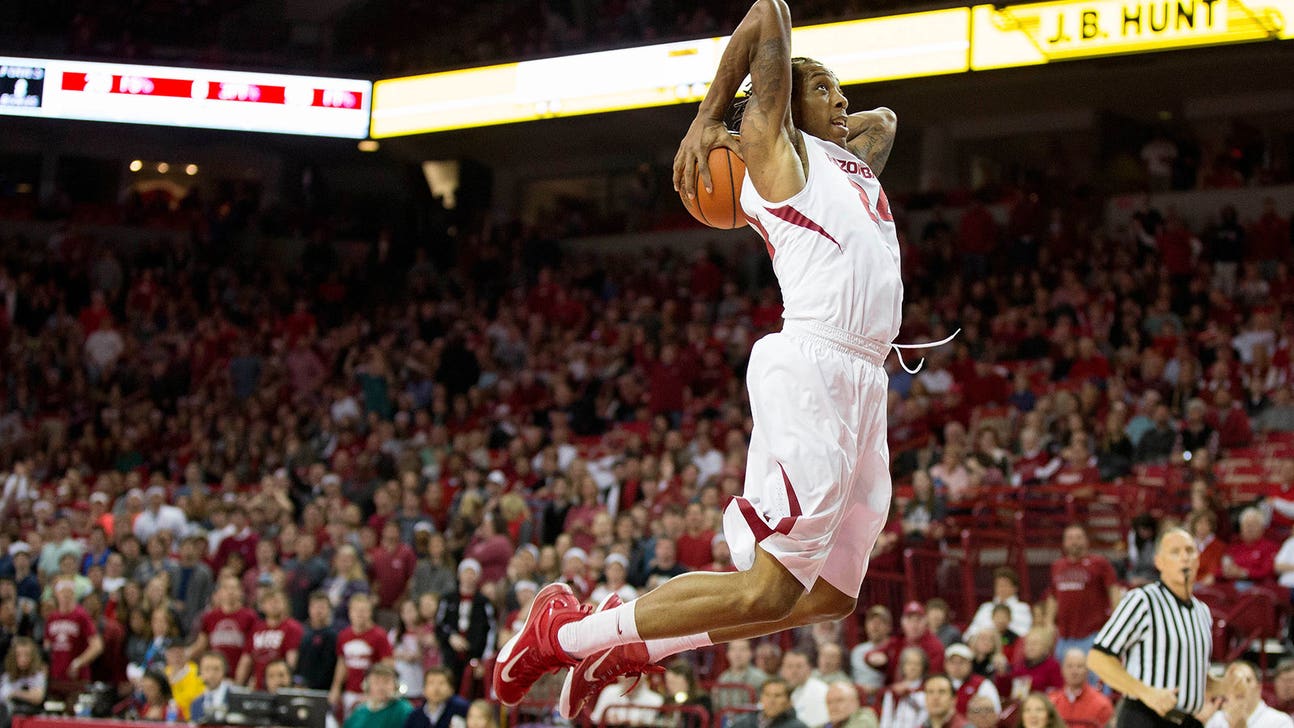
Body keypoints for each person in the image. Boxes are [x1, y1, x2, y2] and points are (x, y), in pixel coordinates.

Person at [495, 0, 908, 718]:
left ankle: (632, 649)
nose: (843, 100)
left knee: (832, 596)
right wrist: (711, 117)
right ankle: (562, 635)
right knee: (767, 588)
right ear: (772, 114)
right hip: (815, 366)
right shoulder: (778, 155)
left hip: (866, 378)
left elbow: (886, 120)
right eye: (823, 89)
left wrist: (828, 107)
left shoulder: (843, 159)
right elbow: (769, 13)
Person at [1087, 528, 1222, 727]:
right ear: (1159, 562)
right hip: (1145, 717)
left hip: (1187, 720)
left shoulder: (1202, 611)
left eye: (1190, 551)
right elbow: (1098, 658)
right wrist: (1147, 692)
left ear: (1198, 559)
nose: (1184, 557)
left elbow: (1192, 671)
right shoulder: (1142, 600)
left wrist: (1225, 684)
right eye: (1175, 552)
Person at [1047, 525, 1119, 660]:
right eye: (1070, 538)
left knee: (1094, 678)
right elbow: (1053, 596)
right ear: (1064, 543)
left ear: (1086, 541)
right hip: (1064, 636)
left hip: (1092, 634)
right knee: (1065, 678)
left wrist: (1116, 618)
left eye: (1078, 538)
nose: (1074, 541)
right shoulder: (1057, 566)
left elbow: (1113, 589)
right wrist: (1049, 622)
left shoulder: (1099, 563)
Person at [331, 593, 393, 717]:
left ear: (370, 613)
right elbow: (342, 663)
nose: (360, 614)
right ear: (350, 612)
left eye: (364, 610)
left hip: (371, 693)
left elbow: (388, 666)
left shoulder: (379, 635)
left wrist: (375, 692)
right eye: (357, 610)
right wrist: (336, 687)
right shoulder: (344, 635)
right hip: (350, 691)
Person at [236, 587, 303, 689]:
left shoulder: (292, 627)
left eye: (277, 601)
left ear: (285, 604)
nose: (273, 605)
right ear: (262, 606)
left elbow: (291, 661)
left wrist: (289, 686)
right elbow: (246, 660)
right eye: (269, 602)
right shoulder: (256, 628)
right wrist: (238, 686)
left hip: (280, 687)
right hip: (258, 687)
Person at [44, 578, 103, 681]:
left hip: (77, 676)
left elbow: (97, 646)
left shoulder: (81, 616)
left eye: (69, 592)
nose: (66, 596)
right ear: (57, 594)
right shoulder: (52, 618)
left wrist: (78, 662)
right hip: (55, 675)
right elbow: (47, 645)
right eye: (63, 592)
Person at [1200, 661, 1292, 728]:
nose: (1240, 687)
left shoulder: (1281, 722)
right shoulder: (1214, 719)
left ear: (1258, 688)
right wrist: (1201, 722)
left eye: (1247, 680)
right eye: (1233, 681)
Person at [1046, 649, 1113, 727]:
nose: (1074, 671)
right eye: (1069, 666)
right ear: (1062, 670)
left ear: (1087, 670)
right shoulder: (1051, 702)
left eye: (1079, 666)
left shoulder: (1102, 704)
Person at [966, 569, 1031, 640]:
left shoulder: (1023, 608)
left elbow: (1024, 633)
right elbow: (970, 633)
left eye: (1005, 585)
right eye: (999, 585)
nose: (1001, 588)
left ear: (1015, 588)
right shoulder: (985, 607)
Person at [344, 664, 412, 728]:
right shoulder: (359, 712)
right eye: (376, 682)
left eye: (386, 682)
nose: (381, 687)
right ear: (367, 686)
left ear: (395, 685)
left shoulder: (403, 710)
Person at [944, 644, 1000, 716]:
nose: (956, 666)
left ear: (970, 664)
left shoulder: (983, 684)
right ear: (945, 664)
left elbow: (995, 712)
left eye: (961, 662)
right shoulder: (939, 683)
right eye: (952, 662)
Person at [402, 667, 468, 728]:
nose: (436, 688)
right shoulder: (415, 716)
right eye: (431, 683)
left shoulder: (462, 709)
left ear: (451, 689)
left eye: (441, 683)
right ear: (424, 689)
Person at [731, 678, 809, 728]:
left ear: (789, 702)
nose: (771, 700)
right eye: (767, 695)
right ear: (761, 698)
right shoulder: (744, 722)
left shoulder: (797, 726)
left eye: (777, 696)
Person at [0, 636, 47, 719]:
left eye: (27, 655)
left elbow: (38, 697)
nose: (23, 659)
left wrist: (14, 693)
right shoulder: (7, 675)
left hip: (30, 715)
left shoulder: (37, 675)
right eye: (19, 655)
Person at [780, 649, 829, 727]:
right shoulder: (781, 690)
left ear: (809, 669)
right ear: (782, 670)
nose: (794, 671)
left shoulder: (820, 691)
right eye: (789, 666)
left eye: (799, 666)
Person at [714, 639, 768, 708]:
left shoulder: (760, 678)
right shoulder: (722, 679)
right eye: (733, 649)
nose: (737, 654)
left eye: (742, 649)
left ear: (751, 653)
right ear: (728, 654)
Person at [850, 605, 892, 694]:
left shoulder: (893, 649)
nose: (875, 626)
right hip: (859, 697)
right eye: (871, 622)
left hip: (884, 697)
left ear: (889, 627)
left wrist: (877, 690)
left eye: (880, 622)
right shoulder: (857, 651)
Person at [189, 651, 235, 723]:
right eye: (207, 669)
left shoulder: (235, 698)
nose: (212, 674)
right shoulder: (196, 704)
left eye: (216, 669)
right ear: (200, 672)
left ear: (224, 671)